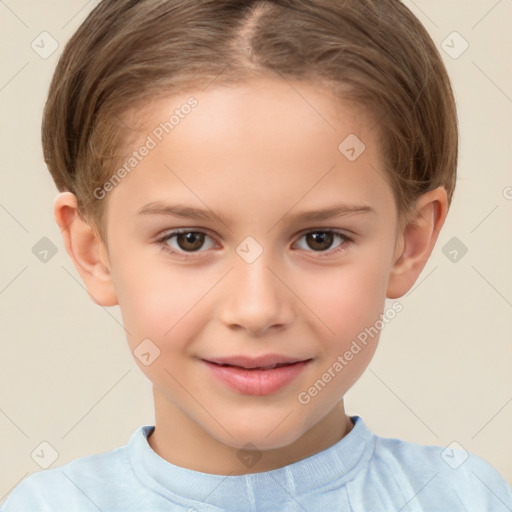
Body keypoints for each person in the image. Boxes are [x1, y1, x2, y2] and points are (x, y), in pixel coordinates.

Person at [3, 0, 511, 510]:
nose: (257, 309)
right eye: (189, 240)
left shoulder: (463, 498)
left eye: (320, 239)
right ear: (95, 253)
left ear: (411, 243)